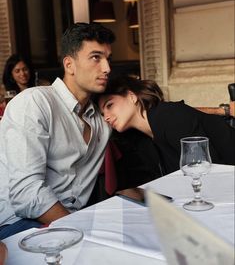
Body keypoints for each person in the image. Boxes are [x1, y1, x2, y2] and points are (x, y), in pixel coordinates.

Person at [0, 22, 115, 240]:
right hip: (17, 224)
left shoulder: (101, 121)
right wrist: (81, 230)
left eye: (108, 58)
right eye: (96, 57)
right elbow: (26, 194)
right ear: (69, 64)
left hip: (70, 219)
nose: (107, 68)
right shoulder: (35, 103)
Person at [98, 75, 235, 178]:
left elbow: (207, 173)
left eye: (110, 105)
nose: (106, 117)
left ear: (132, 96)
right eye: (102, 113)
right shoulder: (141, 140)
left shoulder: (170, 115)